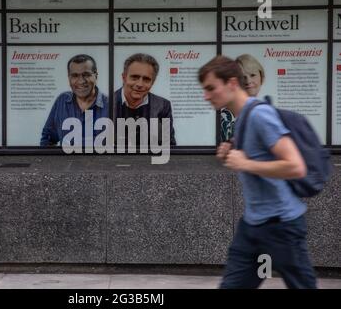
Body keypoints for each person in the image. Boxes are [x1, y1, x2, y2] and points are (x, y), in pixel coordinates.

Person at [199, 55, 317, 289]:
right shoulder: (242, 117)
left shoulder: (260, 115)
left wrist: (245, 163)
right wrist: (232, 149)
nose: (206, 95)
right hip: (253, 225)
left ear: (232, 83)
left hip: (282, 226)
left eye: (211, 88)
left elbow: (295, 166)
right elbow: (259, 153)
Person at [40, 54, 108, 146]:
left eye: (86, 75)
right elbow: (48, 138)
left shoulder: (111, 105)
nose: (81, 81)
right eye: (75, 76)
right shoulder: (62, 101)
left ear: (95, 75)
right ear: (69, 78)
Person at [115, 53, 176, 146]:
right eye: (134, 77)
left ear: (153, 82)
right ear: (124, 78)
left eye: (146, 79)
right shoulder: (105, 104)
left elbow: (170, 146)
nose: (140, 84)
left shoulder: (163, 106)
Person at [221, 54, 265, 142]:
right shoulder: (226, 117)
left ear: (261, 77)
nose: (248, 81)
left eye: (252, 75)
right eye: (242, 77)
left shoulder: (263, 110)